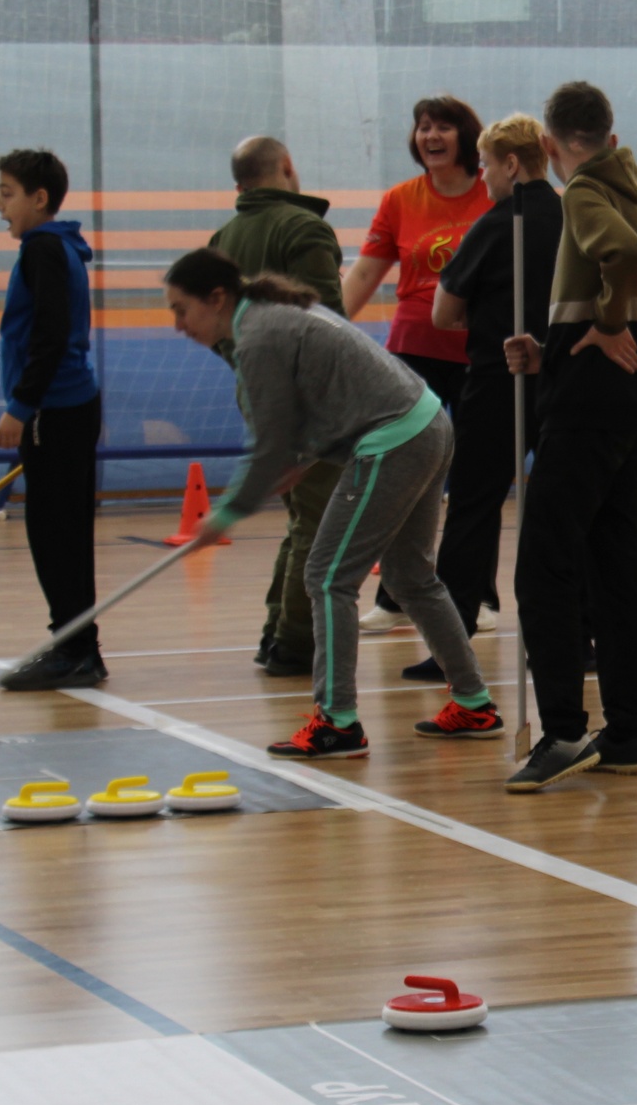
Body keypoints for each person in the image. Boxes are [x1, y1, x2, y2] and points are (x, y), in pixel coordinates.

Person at [165, 249, 502, 755]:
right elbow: (311, 410)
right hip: (427, 422)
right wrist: (301, 454)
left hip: (395, 438)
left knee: (327, 577)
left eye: (180, 310)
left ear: (216, 299)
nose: (177, 325)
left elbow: (270, 444)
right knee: (410, 577)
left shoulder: (259, 333)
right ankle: (475, 704)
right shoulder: (266, 319)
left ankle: (338, 722)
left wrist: (229, 511)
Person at [502, 81, 637, 794]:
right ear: (610, 129)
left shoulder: (582, 193)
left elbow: (621, 257)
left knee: (543, 564)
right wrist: (553, 348)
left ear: (549, 144)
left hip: (592, 397)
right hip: (627, 391)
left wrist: (602, 326)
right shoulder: (633, 187)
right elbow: (625, 264)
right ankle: (624, 732)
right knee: (614, 558)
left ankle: (565, 730)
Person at [417, 112, 563, 682]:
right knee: (564, 511)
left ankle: (451, 647)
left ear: (510, 163)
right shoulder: (573, 216)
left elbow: (442, 312)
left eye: (486, 166)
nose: (485, 178)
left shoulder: (496, 223)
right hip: (561, 382)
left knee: (473, 508)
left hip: (497, 382)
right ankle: (576, 640)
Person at [342, 94, 492, 629]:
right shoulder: (400, 200)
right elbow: (363, 275)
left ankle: (479, 595)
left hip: (481, 354)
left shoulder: (494, 196)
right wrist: (328, 329)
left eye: (443, 127)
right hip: (412, 353)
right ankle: (394, 597)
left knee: (477, 477)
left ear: (466, 137)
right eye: (423, 127)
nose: (430, 136)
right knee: (404, 474)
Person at [208, 135, 345, 679]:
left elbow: (218, 328)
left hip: (257, 393)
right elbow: (325, 324)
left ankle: (277, 632)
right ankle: (294, 641)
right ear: (288, 167)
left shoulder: (222, 239)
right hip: (309, 400)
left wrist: (249, 371)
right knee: (318, 522)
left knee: (301, 518)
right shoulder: (305, 228)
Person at [0, 148, 106, 691]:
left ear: (40, 199)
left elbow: (51, 335)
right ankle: (78, 646)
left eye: (7, 194)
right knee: (64, 532)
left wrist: (21, 406)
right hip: (67, 409)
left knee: (54, 534)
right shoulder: (57, 247)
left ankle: (74, 648)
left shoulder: (42, 247)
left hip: (54, 411)